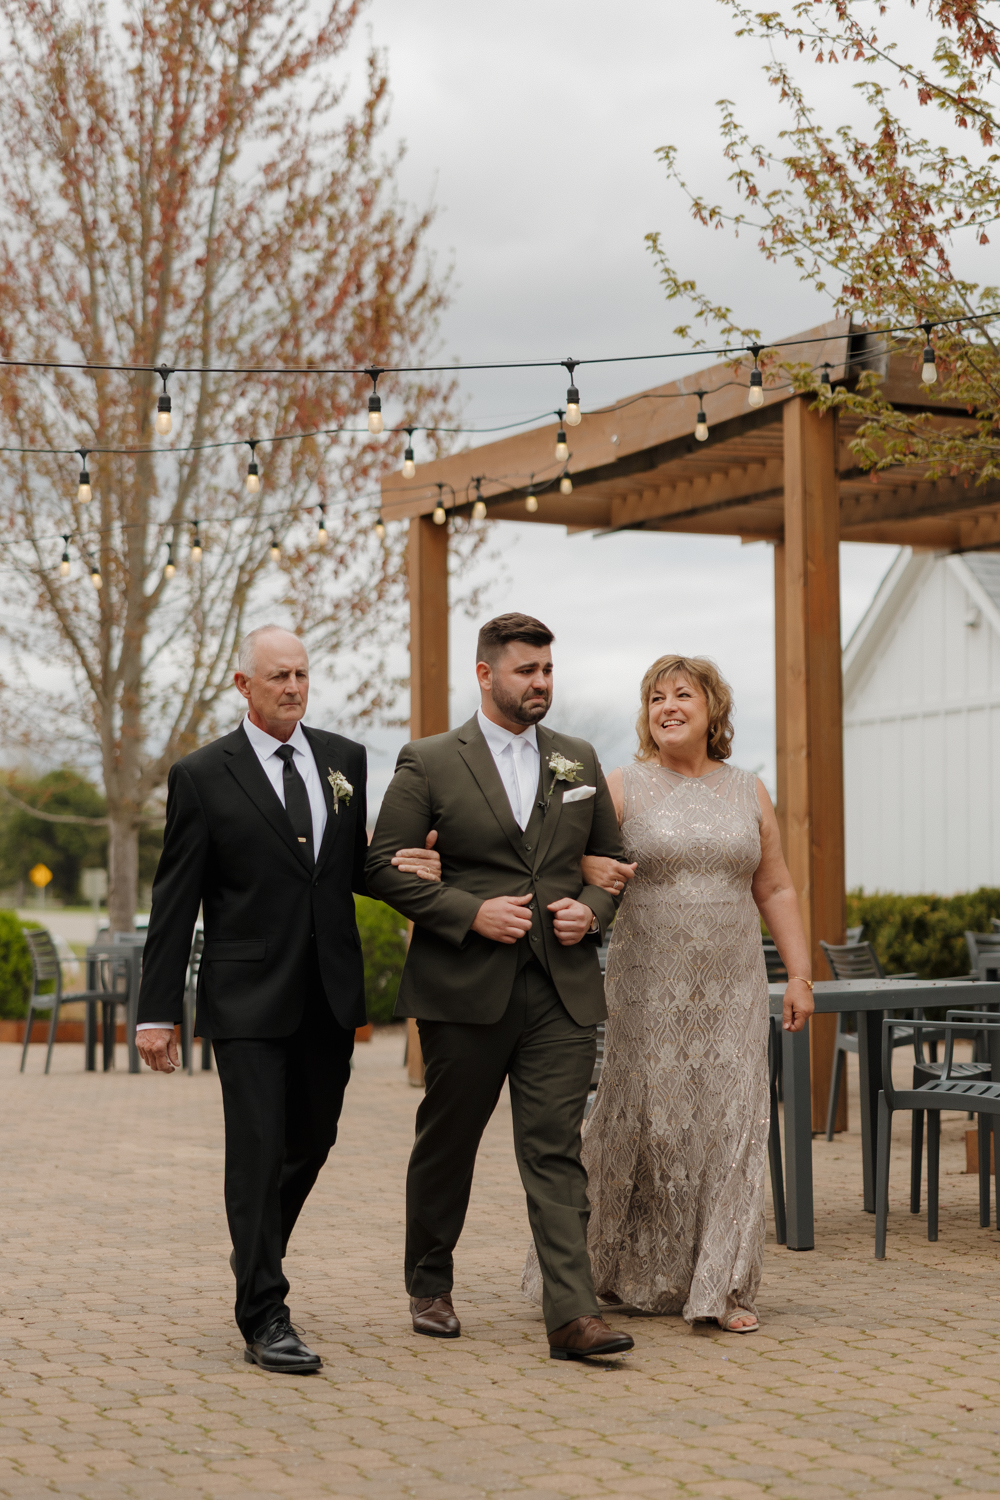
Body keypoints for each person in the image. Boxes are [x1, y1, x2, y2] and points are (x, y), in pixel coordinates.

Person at [135, 624, 440, 1373]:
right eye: (278, 677)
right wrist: (156, 1009)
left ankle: (254, 1254)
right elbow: (176, 899)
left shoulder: (343, 760)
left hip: (328, 995)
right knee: (259, 1148)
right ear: (244, 685)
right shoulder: (203, 775)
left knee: (312, 1142)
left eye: (302, 674)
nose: (294, 688)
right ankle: (264, 1310)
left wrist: (412, 866)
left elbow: (349, 867)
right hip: (245, 999)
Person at [366, 612, 636, 1362]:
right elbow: (381, 864)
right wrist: (468, 911)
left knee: (555, 1148)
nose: (541, 683)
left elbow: (612, 865)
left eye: (548, 670)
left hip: (562, 989)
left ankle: (571, 1315)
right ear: (485, 675)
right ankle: (429, 1281)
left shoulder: (578, 760)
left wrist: (594, 912)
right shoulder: (427, 761)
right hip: (463, 988)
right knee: (449, 1140)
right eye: (526, 670)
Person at [523, 654, 813, 1334]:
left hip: (735, 987)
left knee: (735, 1124)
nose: (668, 706)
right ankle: (620, 1269)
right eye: (656, 697)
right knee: (649, 1125)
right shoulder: (623, 787)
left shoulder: (748, 790)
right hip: (647, 988)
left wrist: (799, 975)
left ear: (713, 709)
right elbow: (567, 861)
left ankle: (722, 1285)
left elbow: (775, 886)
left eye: (683, 694)